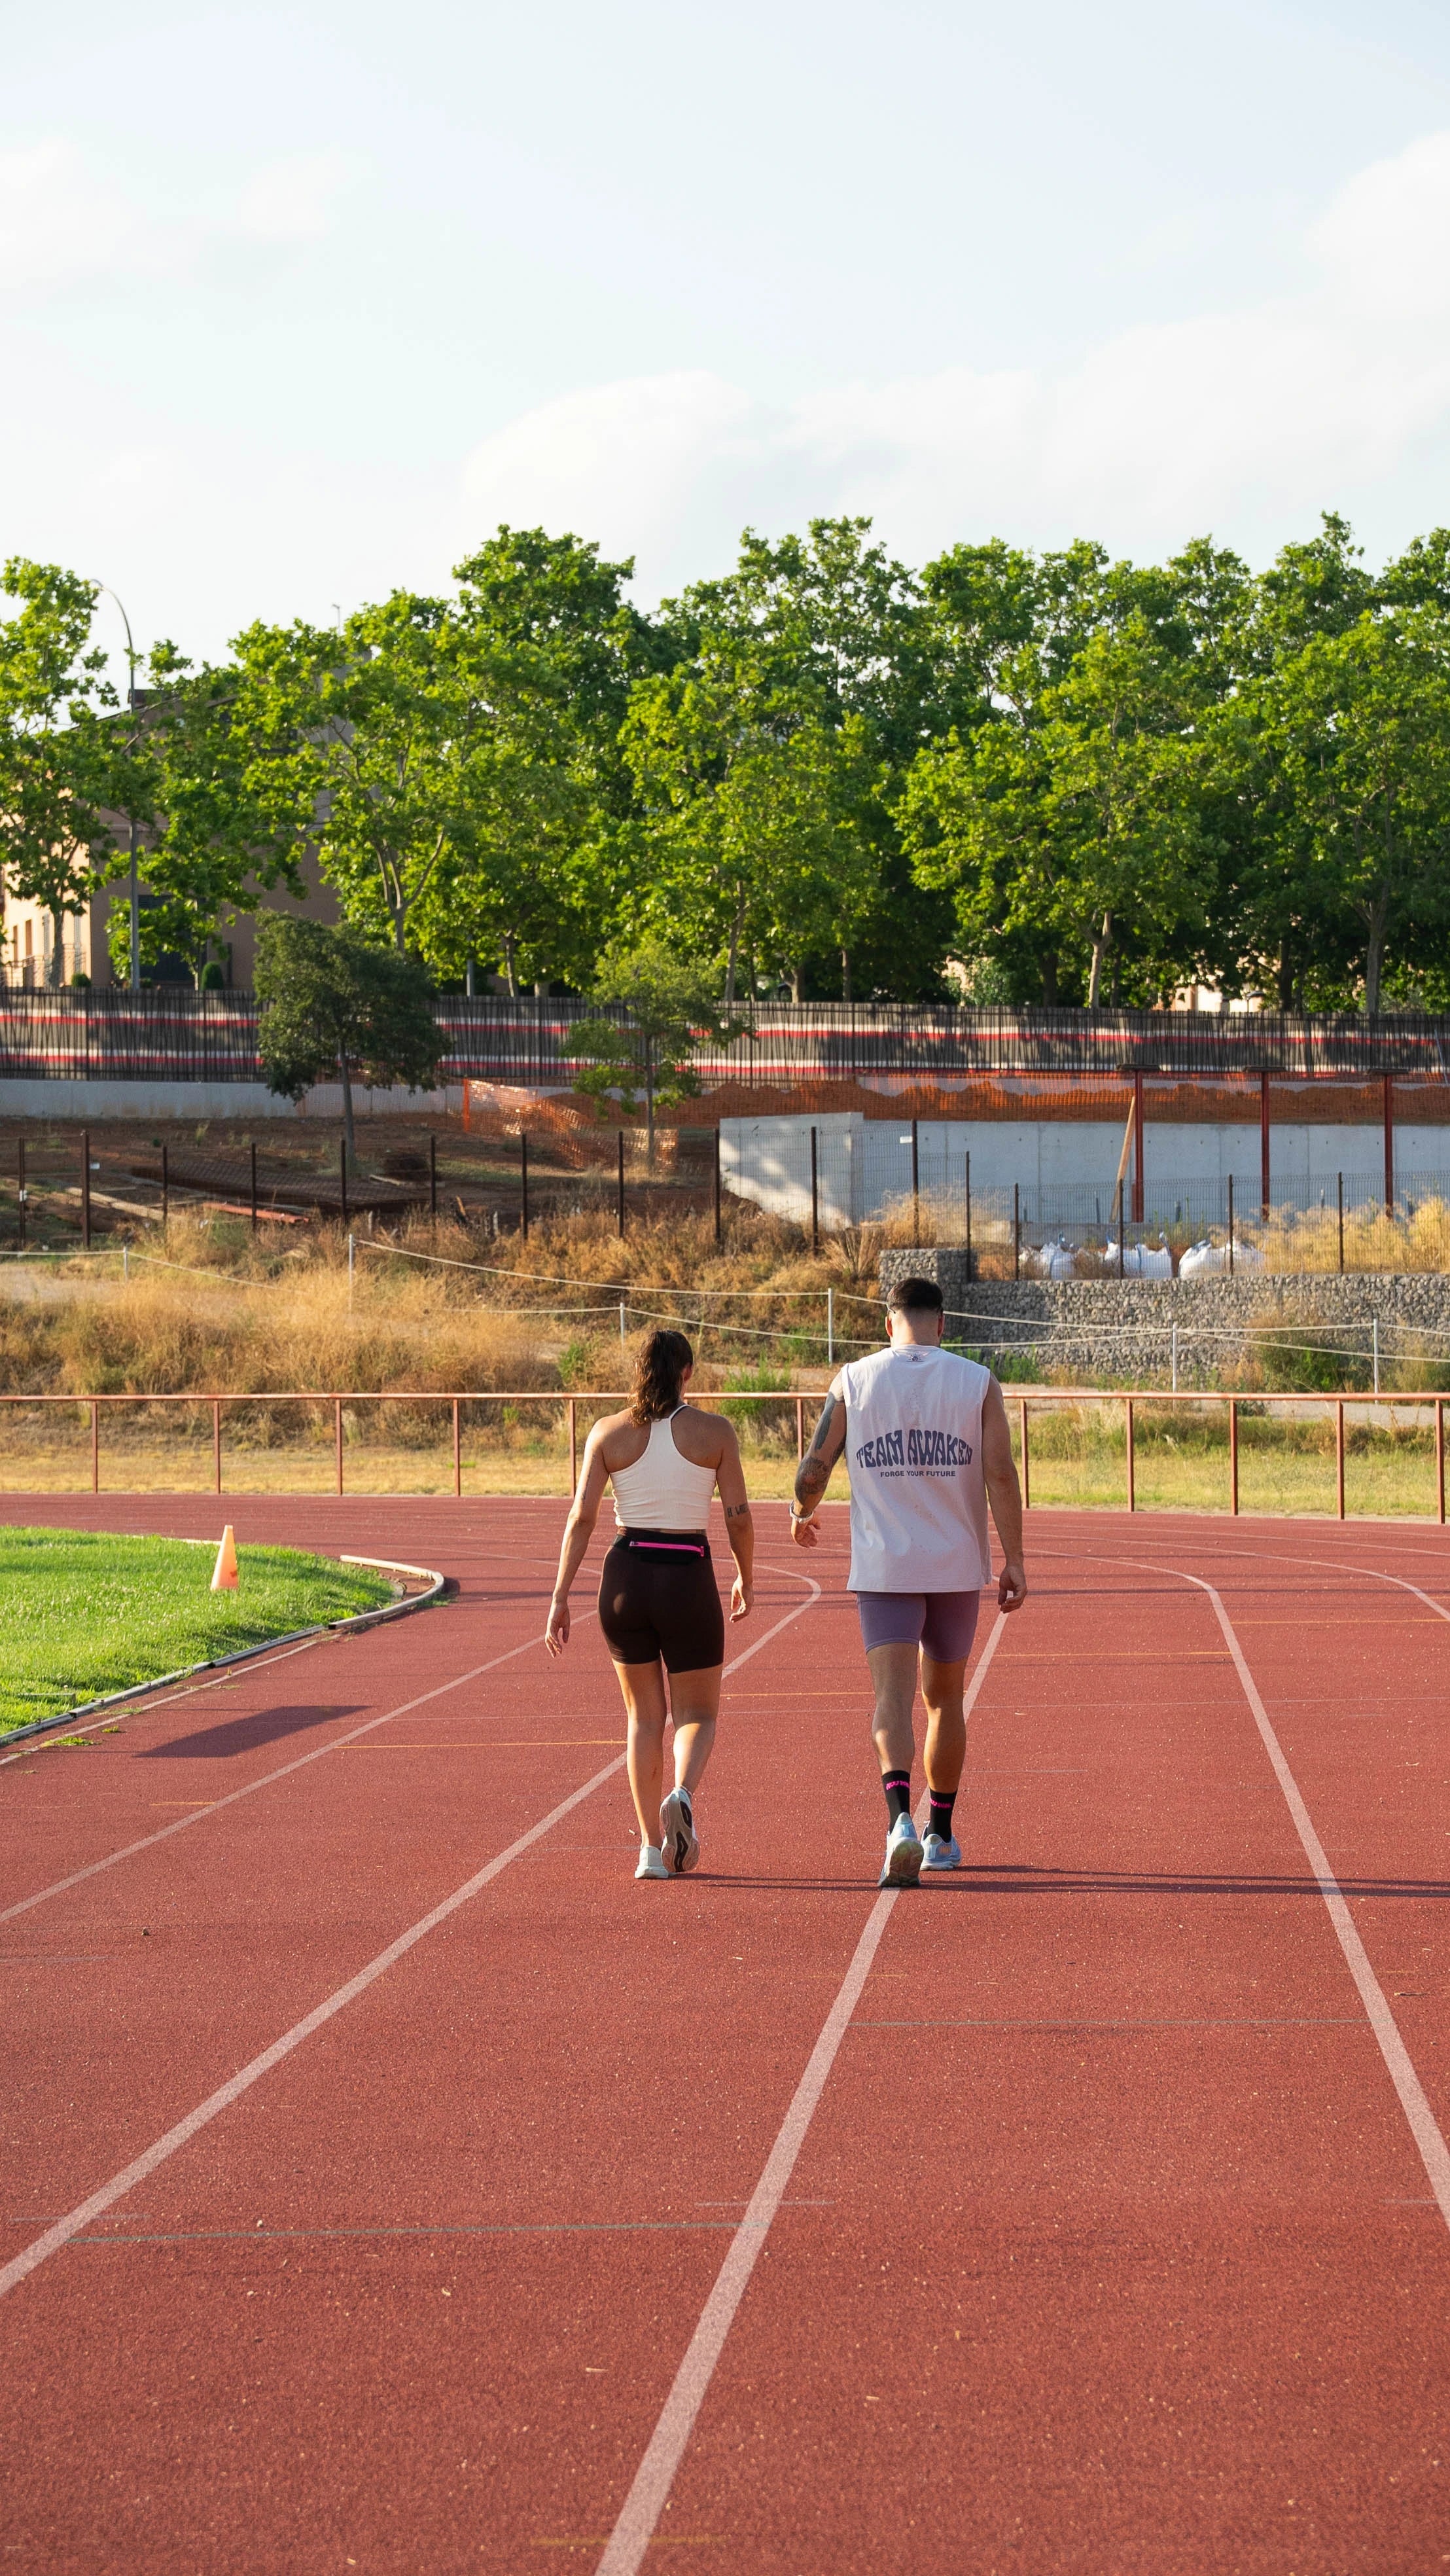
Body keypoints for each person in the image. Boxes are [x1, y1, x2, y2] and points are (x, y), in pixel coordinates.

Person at [788, 1274, 1026, 1887]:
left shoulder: (854, 1379)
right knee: (945, 1700)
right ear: (941, 1323)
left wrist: (800, 1511)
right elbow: (1001, 1472)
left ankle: (899, 1821)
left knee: (891, 1698)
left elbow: (815, 1467)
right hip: (954, 1565)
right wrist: (1015, 1560)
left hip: (885, 1568)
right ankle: (940, 1833)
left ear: (888, 1323)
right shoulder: (978, 1382)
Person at [546, 1327, 754, 1880]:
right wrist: (746, 1576)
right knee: (698, 1714)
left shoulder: (607, 1432)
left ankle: (648, 1850)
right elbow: (738, 1516)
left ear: (639, 1371)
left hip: (626, 1578)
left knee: (643, 1717)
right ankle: (681, 1794)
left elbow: (582, 1517)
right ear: (688, 1372)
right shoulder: (715, 1432)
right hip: (686, 1575)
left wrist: (560, 1595)